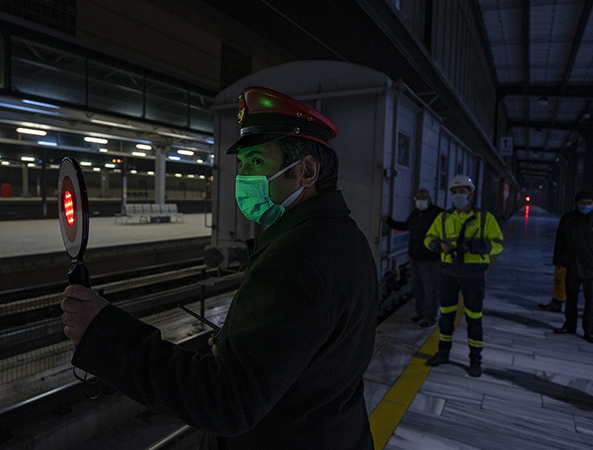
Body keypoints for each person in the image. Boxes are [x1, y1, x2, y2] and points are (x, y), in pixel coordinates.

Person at [61, 86, 378, 448]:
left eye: (257, 162)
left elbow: (229, 403)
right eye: (242, 165)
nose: (244, 178)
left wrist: (104, 333)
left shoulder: (298, 257)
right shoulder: (345, 237)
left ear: (306, 171)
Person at [423, 174, 504, 377]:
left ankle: (475, 360)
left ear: (471, 193)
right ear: (451, 194)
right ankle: (443, 353)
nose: (458, 194)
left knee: (474, 318)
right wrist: (439, 245)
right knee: (446, 316)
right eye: (455, 191)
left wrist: (475, 247)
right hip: (448, 272)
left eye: (462, 191)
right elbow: (428, 239)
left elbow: (498, 244)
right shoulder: (443, 218)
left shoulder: (485, 218)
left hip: (473, 275)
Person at [387, 189, 444, 328]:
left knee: (430, 289)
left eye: (423, 198)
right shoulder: (415, 213)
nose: (420, 201)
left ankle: (430, 317)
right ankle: (421, 313)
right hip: (415, 257)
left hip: (430, 258)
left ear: (429, 198)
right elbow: (406, 226)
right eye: (417, 198)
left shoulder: (438, 214)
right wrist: (389, 221)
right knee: (417, 288)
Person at [552, 190, 593, 343]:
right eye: (583, 203)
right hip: (572, 265)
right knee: (570, 297)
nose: (586, 206)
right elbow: (560, 241)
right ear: (576, 204)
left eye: (589, 203)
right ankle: (570, 325)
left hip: (591, 267)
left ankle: (589, 330)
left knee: (591, 301)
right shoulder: (568, 219)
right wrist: (558, 262)